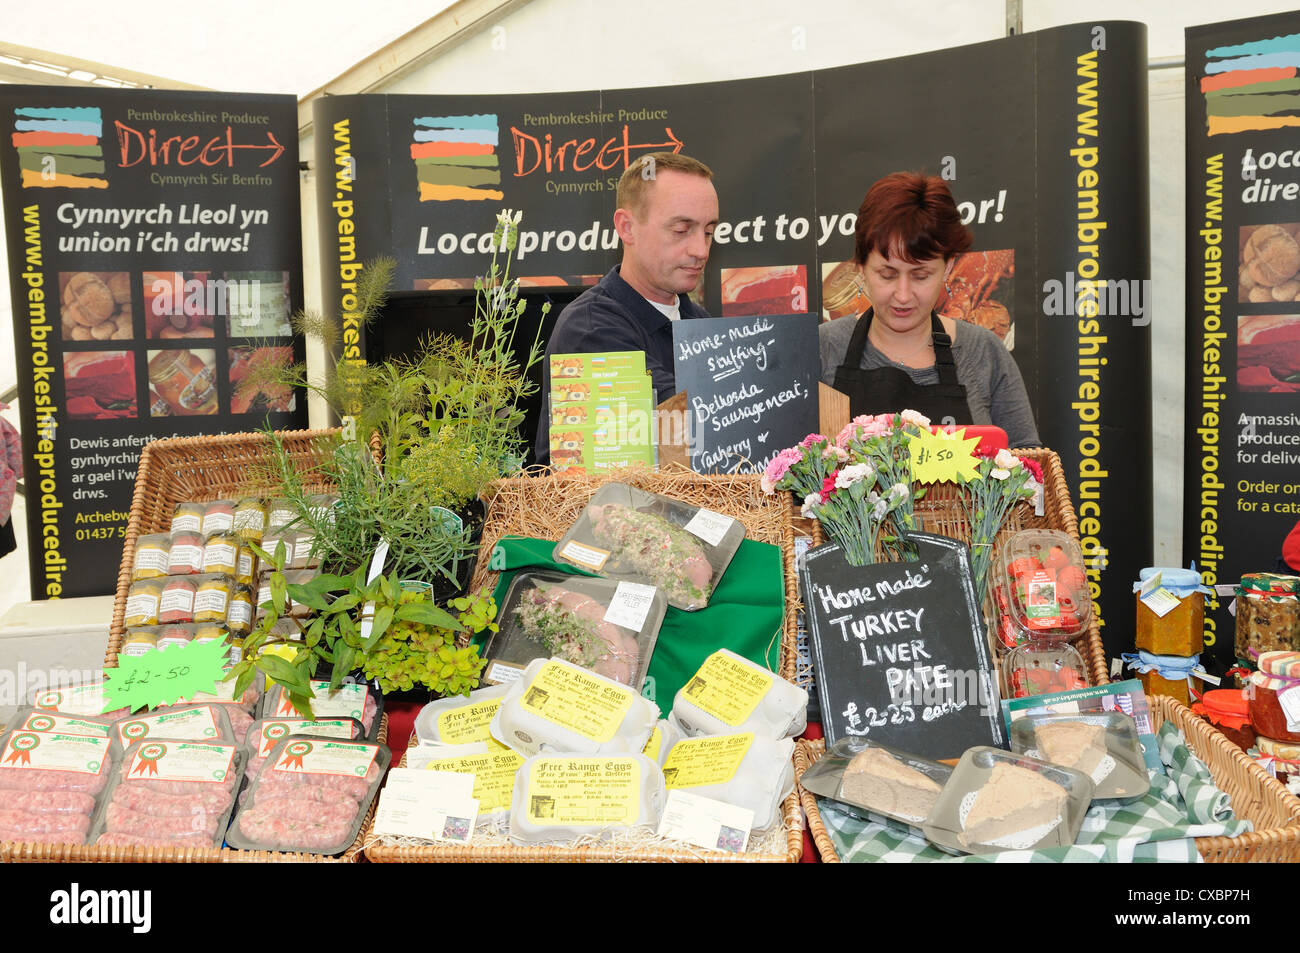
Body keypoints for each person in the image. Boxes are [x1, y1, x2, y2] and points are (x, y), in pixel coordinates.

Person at [819, 172, 1040, 448]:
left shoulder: (984, 353)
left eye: (920, 275)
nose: (903, 295)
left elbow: (1030, 474)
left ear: (947, 267)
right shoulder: (821, 350)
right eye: (887, 275)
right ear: (861, 267)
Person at [535, 152, 718, 464]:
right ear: (627, 227)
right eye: (681, 230)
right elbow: (697, 420)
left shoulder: (698, 321)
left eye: (709, 231)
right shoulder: (589, 329)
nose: (700, 249)